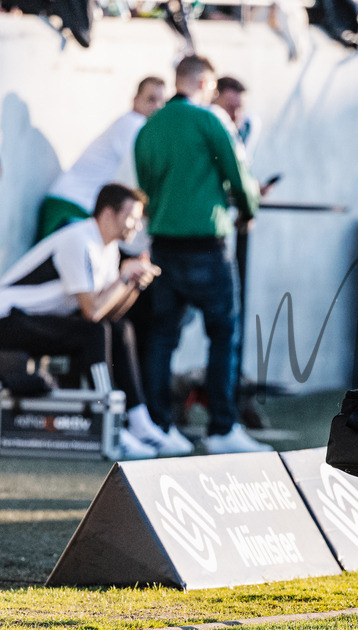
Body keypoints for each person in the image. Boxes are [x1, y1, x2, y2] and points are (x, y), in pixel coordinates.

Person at [134, 55, 269, 455]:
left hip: (162, 246)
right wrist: (248, 211)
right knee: (223, 334)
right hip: (207, 247)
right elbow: (239, 178)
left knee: (161, 338)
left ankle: (160, 425)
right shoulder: (210, 120)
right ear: (205, 81)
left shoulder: (149, 127)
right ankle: (222, 427)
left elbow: (146, 184)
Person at [0, 184, 192, 459]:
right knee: (93, 331)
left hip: (35, 321)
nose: (138, 225)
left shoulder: (109, 248)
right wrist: (123, 277)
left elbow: (110, 314)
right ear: (107, 214)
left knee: (120, 328)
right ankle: (109, 421)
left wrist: (133, 285)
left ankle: (139, 422)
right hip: (8, 319)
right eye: (132, 216)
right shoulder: (78, 240)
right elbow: (91, 312)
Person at [37, 77, 167, 241]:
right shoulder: (133, 124)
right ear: (135, 100)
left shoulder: (133, 125)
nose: (157, 107)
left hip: (74, 207)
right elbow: (143, 175)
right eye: (151, 99)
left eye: (162, 102)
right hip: (68, 207)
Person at [210, 76, 261, 159]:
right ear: (212, 102)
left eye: (240, 109)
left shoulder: (246, 127)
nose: (235, 115)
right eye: (229, 108)